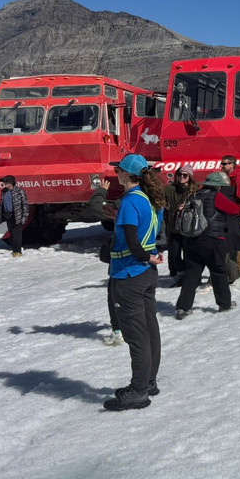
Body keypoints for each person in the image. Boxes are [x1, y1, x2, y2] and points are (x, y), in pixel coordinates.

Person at [103, 154, 166, 411]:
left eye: (118, 170)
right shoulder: (150, 199)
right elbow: (148, 231)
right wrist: (149, 258)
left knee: (136, 335)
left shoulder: (131, 201)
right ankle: (148, 382)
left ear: (127, 174)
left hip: (128, 274)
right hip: (145, 274)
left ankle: (139, 391)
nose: (115, 173)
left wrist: (144, 256)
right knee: (149, 329)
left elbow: (132, 242)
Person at [175, 171, 240, 319]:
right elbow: (235, 210)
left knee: (192, 274)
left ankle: (183, 307)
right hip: (213, 239)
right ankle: (224, 304)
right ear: (217, 186)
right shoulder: (217, 196)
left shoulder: (194, 195)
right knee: (218, 271)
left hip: (191, 240)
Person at [163, 165, 197, 287]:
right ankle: (181, 276)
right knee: (174, 254)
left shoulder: (195, 190)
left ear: (190, 177)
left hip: (188, 228)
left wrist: (187, 206)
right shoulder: (170, 189)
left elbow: (199, 206)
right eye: (180, 175)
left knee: (189, 254)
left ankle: (190, 277)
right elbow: (158, 194)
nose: (181, 177)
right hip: (173, 228)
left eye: (185, 175)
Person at [220, 155, 240, 273]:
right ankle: (233, 269)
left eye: (224, 163)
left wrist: (238, 214)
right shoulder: (230, 178)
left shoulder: (238, 180)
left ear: (232, 165)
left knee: (236, 244)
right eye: (222, 163)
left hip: (238, 217)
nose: (222, 165)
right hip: (232, 216)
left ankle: (237, 270)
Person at [0, 175, 29, 257]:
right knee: (11, 234)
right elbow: (2, 204)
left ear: (12, 183)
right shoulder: (4, 192)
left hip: (17, 215)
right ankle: (14, 251)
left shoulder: (19, 191)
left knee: (17, 235)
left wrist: (24, 216)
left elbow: (25, 204)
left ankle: (18, 251)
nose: (6, 185)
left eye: (7, 183)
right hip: (8, 215)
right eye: (5, 183)